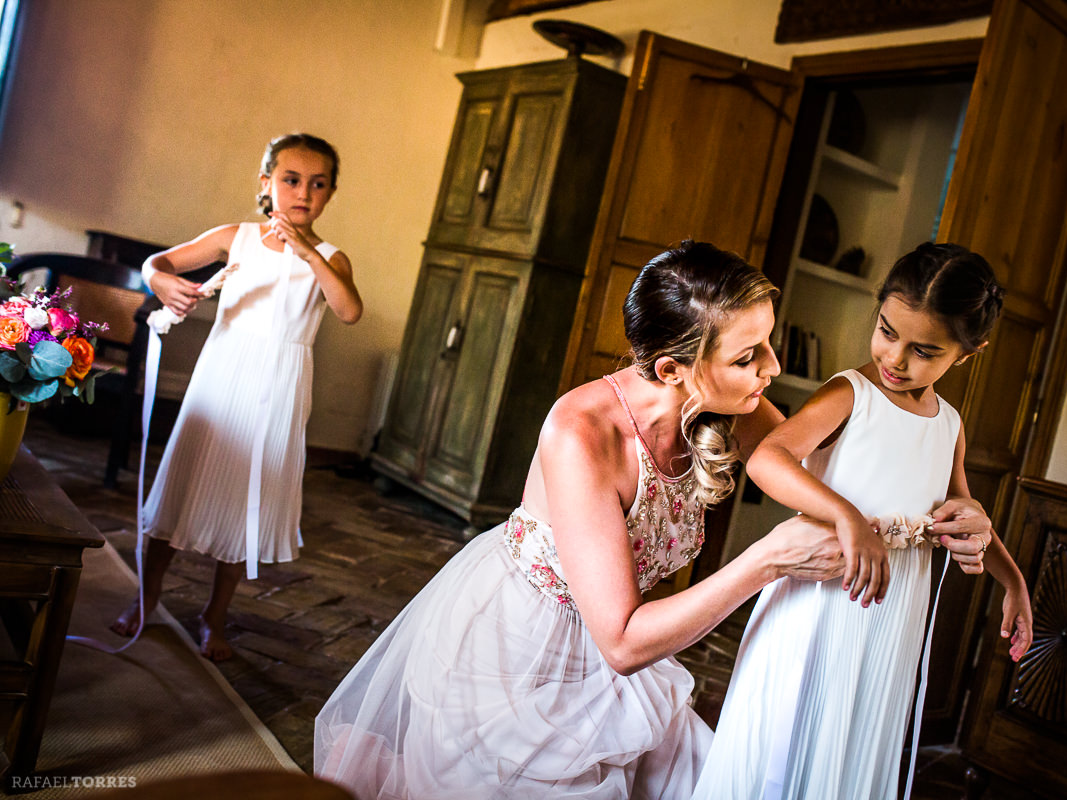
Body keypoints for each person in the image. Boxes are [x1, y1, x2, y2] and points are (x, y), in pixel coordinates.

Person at [313, 240, 992, 799]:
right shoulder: (582, 434)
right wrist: (765, 562)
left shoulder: (739, 403)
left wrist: (945, 513)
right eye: (748, 356)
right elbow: (625, 642)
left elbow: (830, 486)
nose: (774, 369)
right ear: (673, 368)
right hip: (524, 661)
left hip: (625, 661)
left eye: (767, 345)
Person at [691, 242, 1035, 800]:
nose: (896, 359)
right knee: (790, 736)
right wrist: (844, 514)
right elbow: (768, 458)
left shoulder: (949, 424)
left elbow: (962, 515)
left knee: (851, 743)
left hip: (894, 609)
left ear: (968, 355)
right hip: (825, 599)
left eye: (924, 350)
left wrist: (1011, 580)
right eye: (887, 331)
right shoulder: (851, 393)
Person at [110, 133, 362, 661]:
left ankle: (215, 615)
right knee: (186, 477)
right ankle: (148, 593)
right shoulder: (236, 237)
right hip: (223, 376)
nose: (303, 193)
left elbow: (348, 311)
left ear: (331, 194)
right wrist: (159, 282)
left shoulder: (332, 258)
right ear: (266, 184)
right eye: (291, 180)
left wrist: (308, 251)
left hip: (279, 386)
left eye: (318, 185)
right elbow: (159, 262)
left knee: (249, 495)